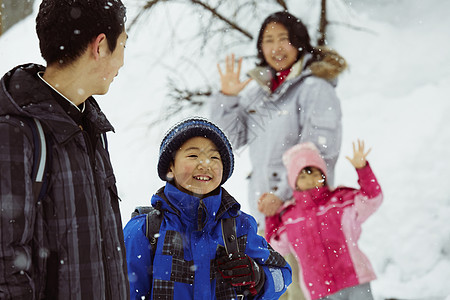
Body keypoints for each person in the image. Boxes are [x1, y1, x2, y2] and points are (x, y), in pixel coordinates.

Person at [0, 0, 129, 299]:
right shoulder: (14, 130)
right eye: (122, 44)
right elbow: (5, 265)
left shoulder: (89, 124)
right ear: (99, 47)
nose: (122, 61)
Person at [123, 117, 292, 299]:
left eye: (214, 157)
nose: (205, 164)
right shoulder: (144, 230)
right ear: (170, 167)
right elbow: (124, 292)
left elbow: (282, 274)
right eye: (193, 155)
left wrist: (258, 277)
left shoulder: (239, 226)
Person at [210, 11, 347, 229]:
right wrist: (227, 99)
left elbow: (319, 151)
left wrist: (281, 195)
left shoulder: (315, 88)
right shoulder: (260, 94)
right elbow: (232, 140)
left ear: (299, 42)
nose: (276, 48)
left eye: (284, 39)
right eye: (269, 40)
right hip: (266, 217)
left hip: (305, 215)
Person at [265, 140, 383, 300]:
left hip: (355, 280)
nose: (311, 179)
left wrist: (363, 170)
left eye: (315, 173)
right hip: (320, 290)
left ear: (324, 175)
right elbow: (276, 247)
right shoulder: (290, 218)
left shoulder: (341, 202)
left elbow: (372, 199)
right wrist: (271, 216)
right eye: (303, 175)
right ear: (294, 181)